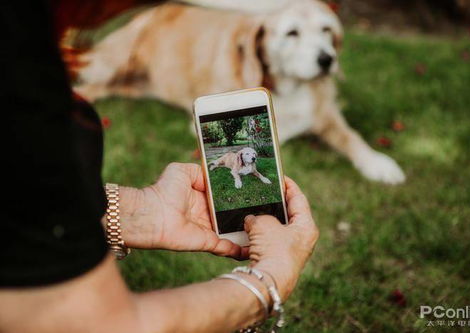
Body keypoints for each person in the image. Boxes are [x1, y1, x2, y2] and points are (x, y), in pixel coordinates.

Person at [0, 1, 318, 332]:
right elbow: (100, 326)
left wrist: (133, 212)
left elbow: (15, 194)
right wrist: (269, 283)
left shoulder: (24, 46)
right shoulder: (16, 58)